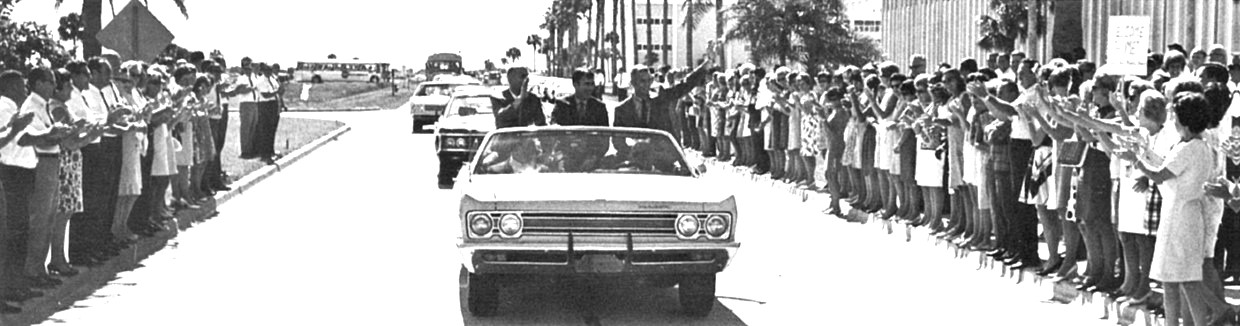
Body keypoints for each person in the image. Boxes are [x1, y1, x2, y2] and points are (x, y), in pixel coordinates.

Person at [612, 42, 716, 147]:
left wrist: (706, 64)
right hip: (635, 159)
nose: (647, 84)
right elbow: (617, 141)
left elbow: (685, 85)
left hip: (662, 158)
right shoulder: (622, 109)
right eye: (642, 81)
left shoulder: (661, 97)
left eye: (649, 80)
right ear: (633, 83)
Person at [0, 70, 36, 313]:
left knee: (13, 232)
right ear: (11, 86)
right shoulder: (4, 106)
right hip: (11, 172)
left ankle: (13, 286)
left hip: (15, 172)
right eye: (22, 86)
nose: (25, 90)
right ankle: (9, 287)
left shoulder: (12, 107)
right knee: (11, 233)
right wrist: (15, 129)